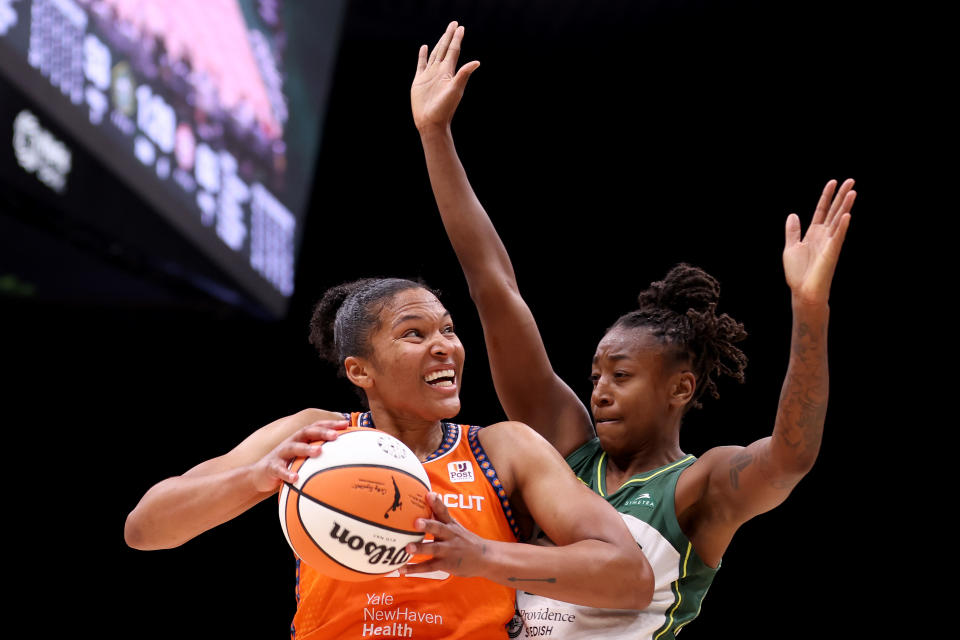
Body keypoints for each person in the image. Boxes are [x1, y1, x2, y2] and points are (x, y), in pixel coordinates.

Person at [411, 21, 855, 639]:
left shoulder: (696, 488)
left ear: (680, 388)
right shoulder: (566, 452)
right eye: (596, 373)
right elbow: (495, 288)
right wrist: (436, 136)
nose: (599, 389)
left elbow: (791, 457)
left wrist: (810, 310)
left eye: (621, 375)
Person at [124, 276, 654, 640]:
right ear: (360, 371)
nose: (445, 345)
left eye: (448, 329)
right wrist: (259, 476)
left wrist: (483, 557)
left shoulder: (504, 447)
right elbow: (145, 529)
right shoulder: (315, 437)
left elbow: (631, 578)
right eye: (414, 334)